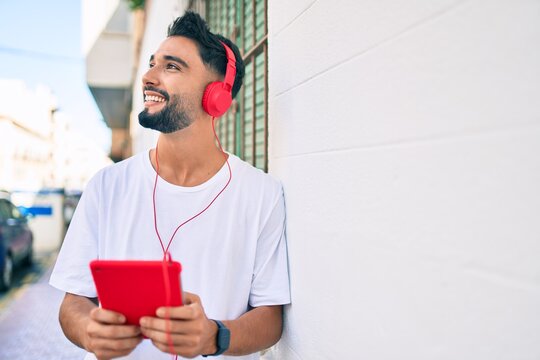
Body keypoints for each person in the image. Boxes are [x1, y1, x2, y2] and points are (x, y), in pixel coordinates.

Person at [50, 11, 290, 360]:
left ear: (217, 96)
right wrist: (89, 331)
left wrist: (215, 336)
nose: (148, 77)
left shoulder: (261, 194)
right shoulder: (107, 185)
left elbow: (271, 318)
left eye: (172, 66)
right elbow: (73, 300)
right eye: (152, 64)